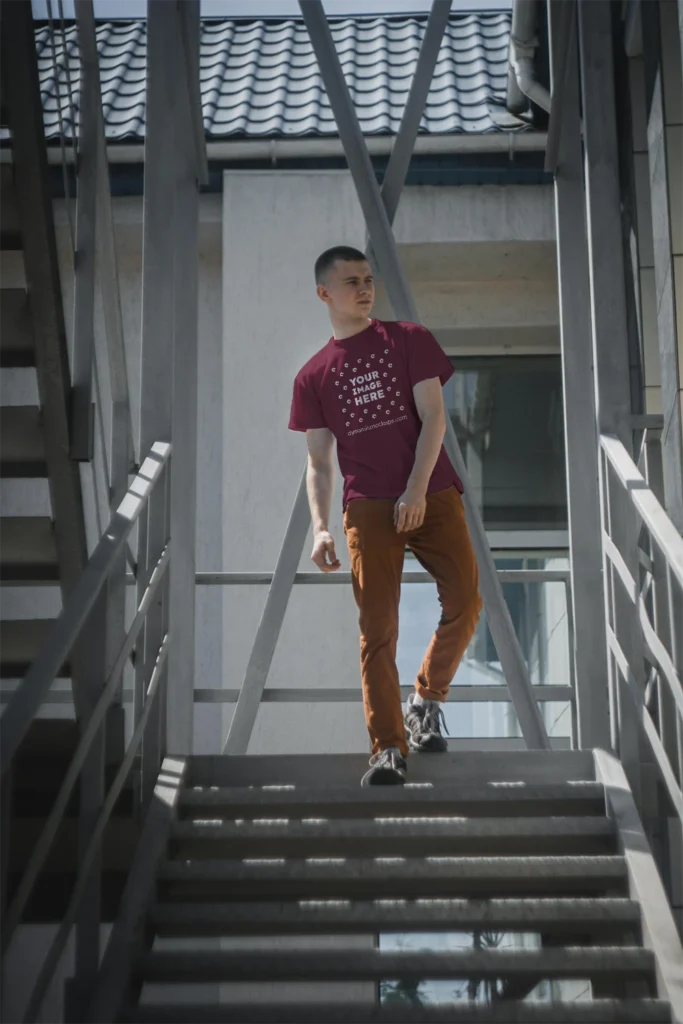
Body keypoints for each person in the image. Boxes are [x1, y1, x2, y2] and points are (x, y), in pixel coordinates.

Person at [288, 245, 482, 787]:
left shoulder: (409, 340)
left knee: (466, 600)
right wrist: (321, 526)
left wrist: (417, 489)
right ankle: (388, 749)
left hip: (433, 491)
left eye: (368, 279)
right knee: (377, 629)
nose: (365, 288)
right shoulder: (313, 376)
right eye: (351, 281)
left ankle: (425, 698)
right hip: (367, 506)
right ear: (325, 293)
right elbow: (319, 462)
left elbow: (434, 418)